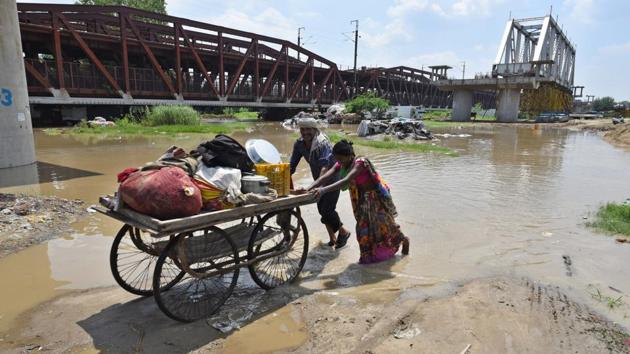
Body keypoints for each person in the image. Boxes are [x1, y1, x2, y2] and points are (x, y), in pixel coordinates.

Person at [308, 139, 409, 264]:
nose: (339, 162)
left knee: (385, 227)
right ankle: (367, 260)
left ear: (350, 156)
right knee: (363, 231)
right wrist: (308, 188)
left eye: (341, 159)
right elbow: (326, 176)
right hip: (362, 201)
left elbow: (345, 180)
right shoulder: (342, 163)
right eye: (337, 159)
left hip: (376, 200)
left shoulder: (360, 163)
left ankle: (404, 240)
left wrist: (323, 190)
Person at [290, 118, 352, 249]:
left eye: (308, 129)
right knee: (321, 210)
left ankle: (343, 232)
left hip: (332, 180)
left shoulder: (322, 143)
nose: (305, 132)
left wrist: (317, 187)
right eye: (302, 129)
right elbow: (292, 165)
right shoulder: (299, 144)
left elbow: (325, 167)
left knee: (327, 210)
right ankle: (333, 238)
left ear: (314, 130)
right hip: (317, 180)